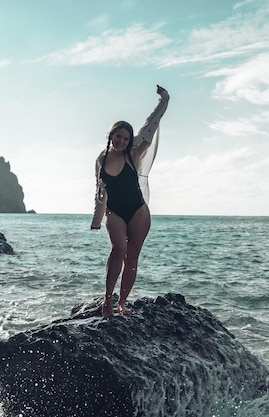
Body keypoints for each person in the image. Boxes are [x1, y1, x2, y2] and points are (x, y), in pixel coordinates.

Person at [91, 85, 170, 317]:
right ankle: (107, 300)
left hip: (138, 211)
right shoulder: (101, 160)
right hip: (114, 212)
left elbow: (150, 126)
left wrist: (163, 101)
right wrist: (97, 218)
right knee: (118, 249)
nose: (122, 141)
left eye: (126, 138)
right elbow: (100, 192)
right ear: (111, 136)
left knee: (132, 258)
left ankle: (122, 303)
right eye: (118, 136)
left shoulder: (133, 154)